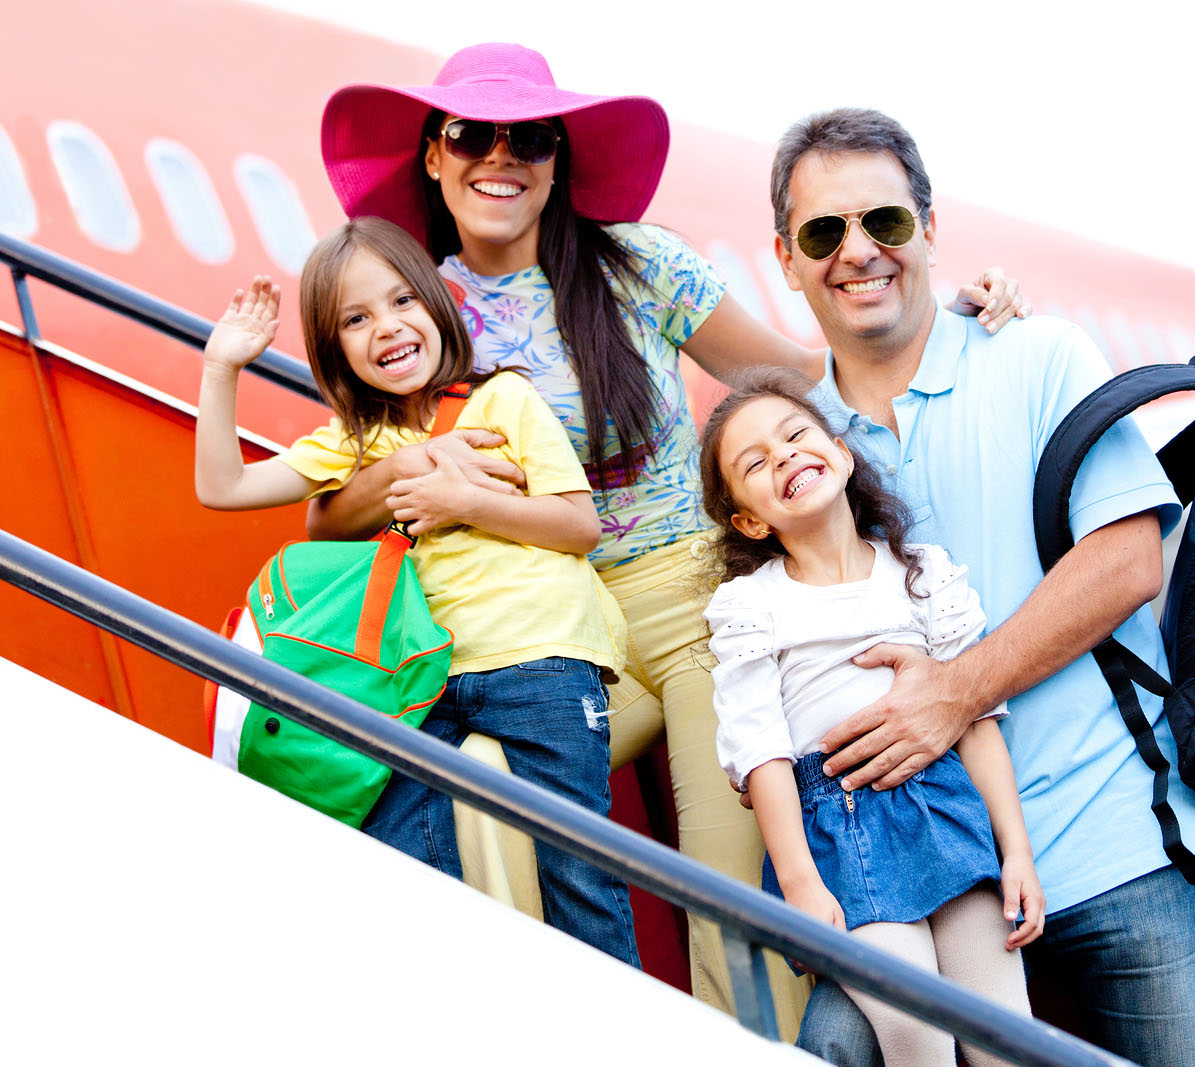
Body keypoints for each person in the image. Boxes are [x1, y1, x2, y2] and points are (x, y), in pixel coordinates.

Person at [311, 43, 1029, 1032]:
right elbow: (337, 494)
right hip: (561, 632)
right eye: (470, 135)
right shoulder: (416, 307)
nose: (499, 157)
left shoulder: (639, 265)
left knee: (722, 884)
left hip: (695, 605)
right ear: (432, 156)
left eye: (528, 138)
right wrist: (405, 476)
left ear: (557, 160)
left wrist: (941, 320)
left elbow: (797, 374)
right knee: (484, 802)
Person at [768, 108, 1195, 1067]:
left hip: (1113, 840)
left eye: (885, 223)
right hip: (923, 890)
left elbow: (1126, 562)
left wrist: (955, 691)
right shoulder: (793, 440)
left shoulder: (1038, 355)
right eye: (825, 233)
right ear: (786, 257)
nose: (858, 252)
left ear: (930, 231)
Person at [192, 217, 638, 968]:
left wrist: (463, 503)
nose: (388, 328)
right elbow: (222, 485)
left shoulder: (504, 401)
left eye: (403, 301)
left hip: (543, 660)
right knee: (399, 844)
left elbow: (576, 524)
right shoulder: (350, 443)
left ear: (436, 305)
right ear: (336, 350)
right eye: (356, 319)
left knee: (579, 871)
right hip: (427, 679)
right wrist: (221, 369)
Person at [699, 368, 1040, 1066]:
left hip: (944, 805)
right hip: (839, 827)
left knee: (1003, 1029)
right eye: (755, 463)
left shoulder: (920, 573)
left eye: (795, 435)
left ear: (842, 454)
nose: (784, 455)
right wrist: (798, 881)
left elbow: (976, 719)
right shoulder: (752, 608)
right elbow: (760, 752)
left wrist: (1018, 852)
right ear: (750, 520)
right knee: (915, 1028)